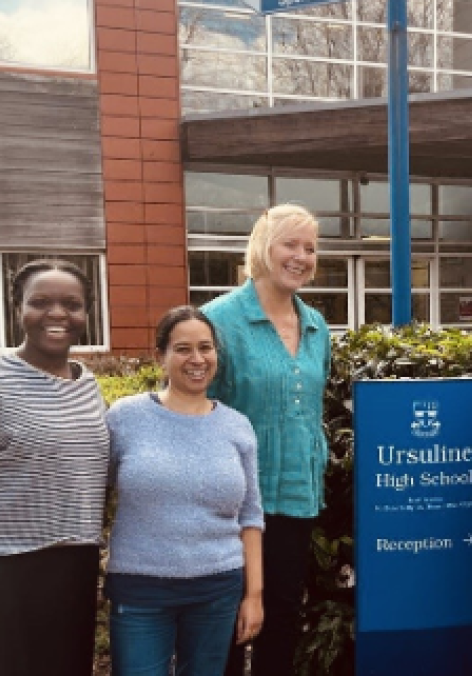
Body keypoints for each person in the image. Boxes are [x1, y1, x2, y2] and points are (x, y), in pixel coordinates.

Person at [0, 259, 108, 676]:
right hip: (2, 579)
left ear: (86, 313)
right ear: (19, 309)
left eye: (72, 304)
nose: (58, 313)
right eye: (41, 302)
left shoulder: (88, 386)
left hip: (74, 574)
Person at [202, 204, 331, 676]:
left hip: (295, 495)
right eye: (290, 244)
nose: (301, 256)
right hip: (230, 501)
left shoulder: (317, 326)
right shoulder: (218, 319)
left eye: (310, 248)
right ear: (263, 247)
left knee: (282, 616)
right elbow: (198, 409)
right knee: (226, 622)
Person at [105, 305, 265, 676]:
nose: (197, 359)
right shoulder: (124, 418)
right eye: (183, 349)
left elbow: (251, 516)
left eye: (206, 348)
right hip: (140, 590)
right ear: (159, 356)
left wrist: (253, 595)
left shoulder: (237, 427)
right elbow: (95, 495)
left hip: (218, 589)